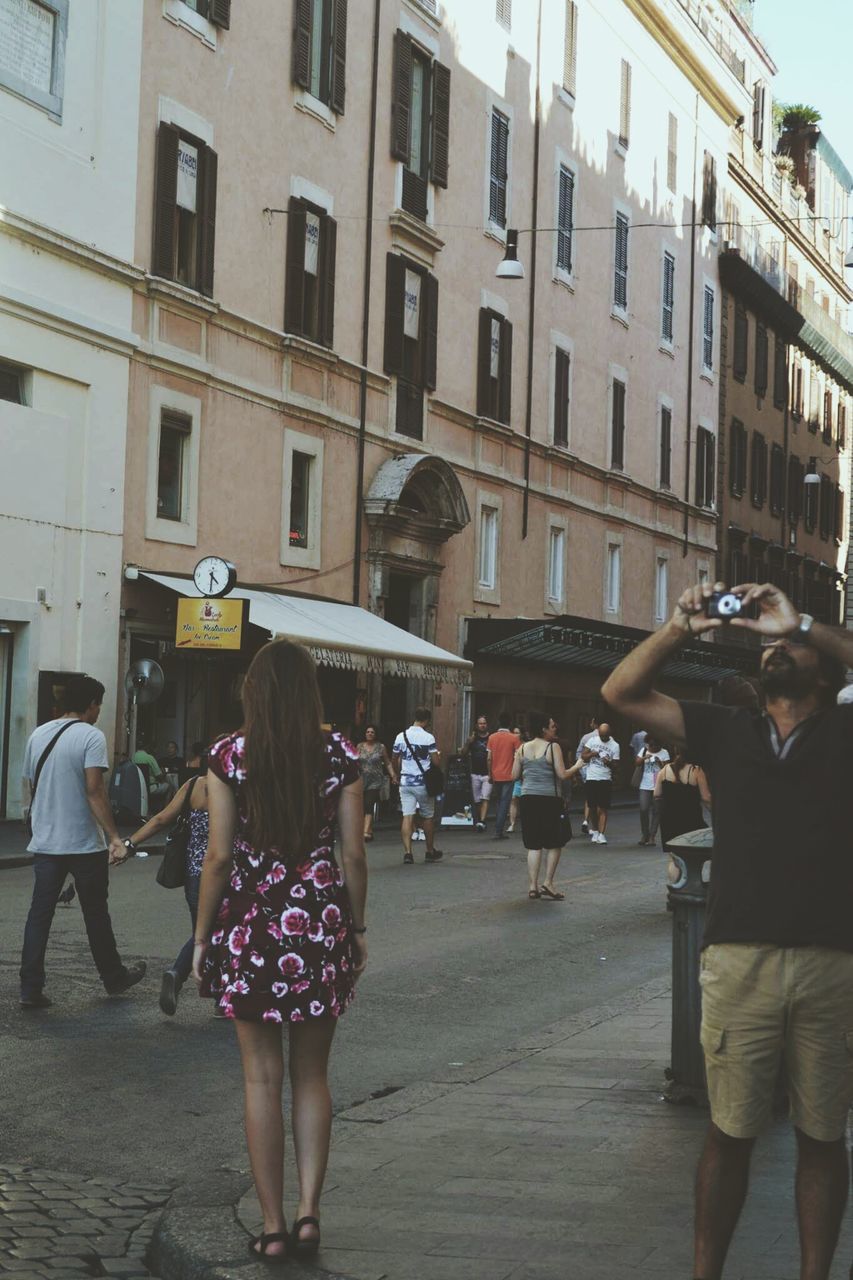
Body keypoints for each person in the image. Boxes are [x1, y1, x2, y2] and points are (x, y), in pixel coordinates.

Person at [601, 577, 853, 1280]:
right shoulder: (723, 729)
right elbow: (619, 692)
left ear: (824, 670)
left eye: (788, 646)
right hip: (738, 957)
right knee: (729, 1131)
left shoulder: (843, 733)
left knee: (822, 1138)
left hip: (834, 961)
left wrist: (799, 622)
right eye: (767, 644)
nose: (773, 648)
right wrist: (683, 626)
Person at [192, 639, 368, 1263]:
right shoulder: (339, 753)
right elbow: (352, 854)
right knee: (312, 1075)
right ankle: (309, 1211)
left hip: (250, 926)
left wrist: (202, 936)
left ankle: (270, 1226)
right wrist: (358, 926)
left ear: (254, 690)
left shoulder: (228, 755)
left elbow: (216, 857)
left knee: (260, 1078)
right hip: (318, 924)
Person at [19, 674, 146, 1009]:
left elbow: (32, 784)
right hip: (83, 845)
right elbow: (95, 790)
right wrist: (114, 836)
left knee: (39, 915)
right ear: (91, 704)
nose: (99, 711)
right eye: (99, 705)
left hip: (46, 842)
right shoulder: (91, 737)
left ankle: (30, 988)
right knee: (95, 914)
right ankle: (114, 977)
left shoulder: (38, 734)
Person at [124, 769, 211, 1017]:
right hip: (225, 874)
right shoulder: (237, 789)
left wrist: (131, 844)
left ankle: (179, 976)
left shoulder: (193, 785)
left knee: (204, 933)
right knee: (216, 933)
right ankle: (200, 985)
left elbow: (161, 819)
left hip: (193, 876)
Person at [512, 711, 583, 901]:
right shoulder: (553, 748)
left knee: (533, 844)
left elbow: (514, 775)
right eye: (552, 726)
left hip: (527, 798)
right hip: (549, 799)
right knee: (555, 842)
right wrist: (579, 765)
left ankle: (532, 886)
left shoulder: (522, 748)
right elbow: (562, 774)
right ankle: (548, 883)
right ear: (544, 729)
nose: (555, 729)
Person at [392, 708, 443, 865]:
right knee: (428, 816)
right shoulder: (428, 738)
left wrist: (397, 773)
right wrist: (437, 756)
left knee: (407, 815)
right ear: (426, 720)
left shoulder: (401, 736)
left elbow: (395, 758)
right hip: (423, 783)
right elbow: (436, 762)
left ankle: (408, 853)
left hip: (406, 782)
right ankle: (429, 851)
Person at [655, 750, 711, 885]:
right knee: (703, 854)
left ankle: (675, 887)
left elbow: (656, 794)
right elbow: (706, 798)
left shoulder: (664, 770)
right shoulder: (696, 771)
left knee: (674, 859)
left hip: (669, 820)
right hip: (691, 820)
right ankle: (697, 885)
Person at [581, 723, 620, 844]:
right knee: (592, 807)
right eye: (601, 735)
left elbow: (616, 765)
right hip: (592, 777)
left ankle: (602, 834)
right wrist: (593, 753)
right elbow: (583, 756)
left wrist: (608, 762)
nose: (603, 738)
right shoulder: (592, 740)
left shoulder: (615, 745)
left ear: (609, 734)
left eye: (605, 736)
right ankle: (596, 830)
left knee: (603, 807)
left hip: (605, 778)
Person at [356, 725, 394, 842]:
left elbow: (387, 762)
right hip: (361, 780)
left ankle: (365, 832)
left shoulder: (381, 747)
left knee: (369, 803)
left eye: (372, 732)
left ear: (376, 734)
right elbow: (354, 761)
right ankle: (369, 830)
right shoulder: (359, 746)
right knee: (362, 806)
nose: (370, 734)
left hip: (375, 780)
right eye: (368, 732)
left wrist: (393, 775)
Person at [487, 712, 520, 839]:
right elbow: (517, 757)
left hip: (495, 774)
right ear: (510, 723)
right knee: (505, 802)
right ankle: (498, 830)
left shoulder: (492, 737)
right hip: (509, 774)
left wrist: (490, 773)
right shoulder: (514, 738)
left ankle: (497, 827)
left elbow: (489, 758)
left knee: (498, 801)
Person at [636, 735, 669, 846]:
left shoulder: (664, 752)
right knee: (643, 809)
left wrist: (659, 762)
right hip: (645, 785)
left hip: (658, 785)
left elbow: (667, 769)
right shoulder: (644, 750)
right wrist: (644, 758)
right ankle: (644, 834)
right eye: (651, 744)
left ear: (660, 744)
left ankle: (652, 836)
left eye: (655, 745)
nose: (653, 747)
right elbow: (637, 763)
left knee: (656, 811)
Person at [460, 715, 491, 831]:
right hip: (475, 773)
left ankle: (482, 821)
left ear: (487, 725)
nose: (482, 725)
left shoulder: (491, 738)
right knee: (477, 799)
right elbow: (463, 754)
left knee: (485, 797)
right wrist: (468, 743)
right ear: (477, 725)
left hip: (487, 773)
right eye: (480, 723)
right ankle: (480, 819)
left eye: (484, 723)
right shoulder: (472, 738)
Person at [575, 716, 598, 835]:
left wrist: (582, 770)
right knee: (598, 800)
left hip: (587, 771)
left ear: (594, 723)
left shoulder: (586, 737)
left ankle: (586, 821)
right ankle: (595, 827)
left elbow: (578, 754)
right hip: (601, 774)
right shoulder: (610, 739)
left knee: (589, 797)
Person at [133, 736, 172, 805]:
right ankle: (165, 810)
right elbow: (159, 776)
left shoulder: (133, 756)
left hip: (137, 787)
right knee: (169, 786)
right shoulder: (150, 758)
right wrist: (165, 772)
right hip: (150, 788)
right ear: (147, 747)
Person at [507, 724, 526, 833]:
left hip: (526, 777)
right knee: (514, 799)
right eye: (513, 732)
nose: (515, 735)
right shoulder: (511, 745)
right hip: (516, 777)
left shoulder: (525, 745)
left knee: (525, 801)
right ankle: (512, 824)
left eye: (517, 732)